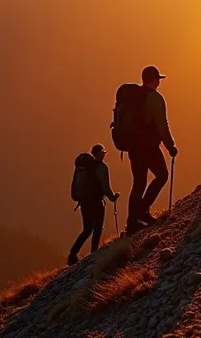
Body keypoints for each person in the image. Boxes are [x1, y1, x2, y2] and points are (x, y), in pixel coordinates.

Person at [127, 65, 177, 232]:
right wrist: (170, 146)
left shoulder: (133, 96)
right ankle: (142, 210)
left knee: (138, 183)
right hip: (148, 146)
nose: (159, 82)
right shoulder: (155, 98)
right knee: (162, 175)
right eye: (158, 79)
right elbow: (162, 126)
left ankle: (132, 222)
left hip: (133, 146)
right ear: (153, 80)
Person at [68, 144, 120, 265]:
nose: (103, 155)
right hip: (96, 202)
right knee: (97, 228)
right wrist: (113, 197)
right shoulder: (101, 168)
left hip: (84, 202)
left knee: (87, 229)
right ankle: (94, 254)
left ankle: (73, 254)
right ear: (97, 153)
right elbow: (106, 187)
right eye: (102, 152)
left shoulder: (85, 168)